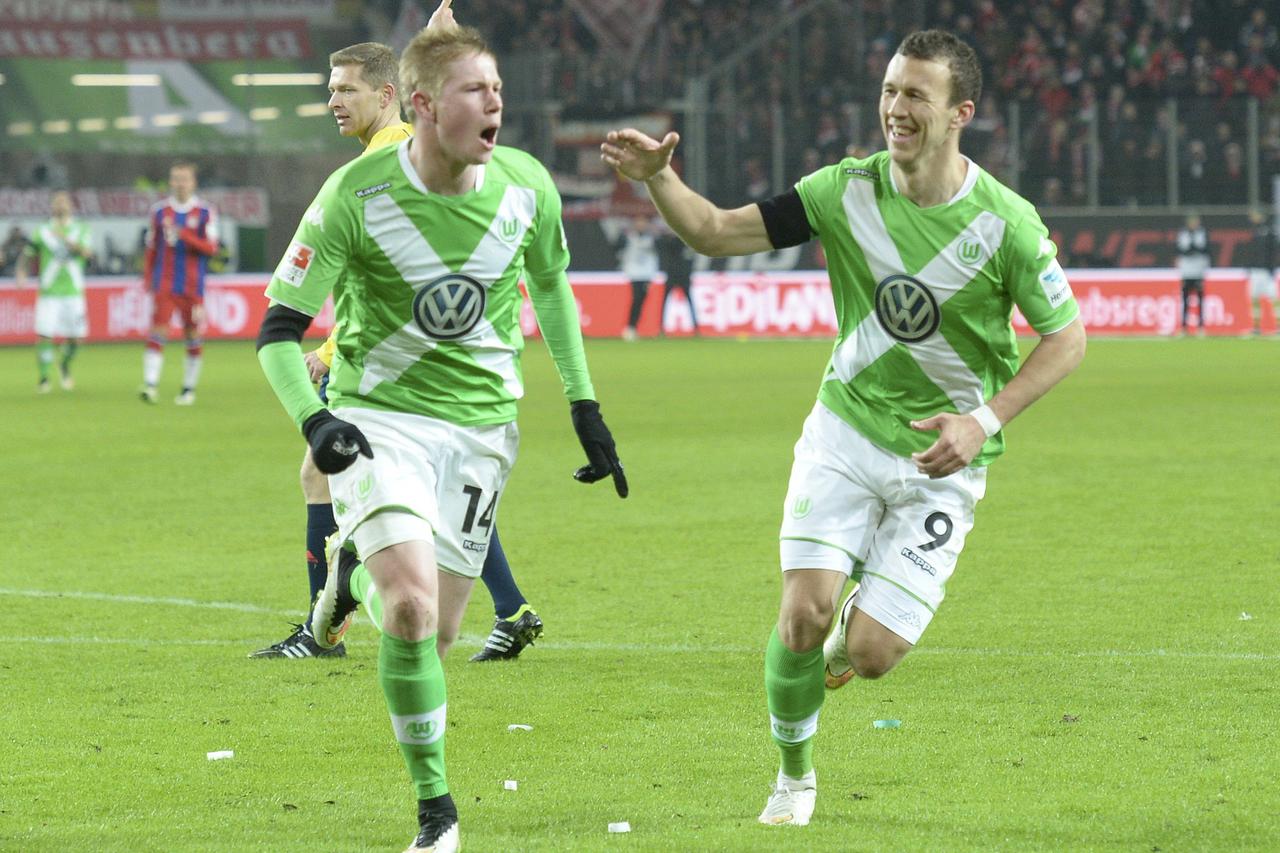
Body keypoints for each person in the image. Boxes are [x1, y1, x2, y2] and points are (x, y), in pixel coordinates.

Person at [602, 28, 1085, 828]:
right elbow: (717, 231)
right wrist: (662, 180)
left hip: (944, 459)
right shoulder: (841, 190)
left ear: (960, 112)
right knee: (802, 612)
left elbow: (1067, 337)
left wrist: (982, 419)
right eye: (891, 90)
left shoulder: (1009, 225)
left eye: (916, 96)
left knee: (871, 653)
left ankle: (849, 643)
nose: (896, 108)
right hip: (845, 432)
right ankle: (794, 776)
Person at [257, 17, 627, 852]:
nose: (495, 101)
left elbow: (555, 289)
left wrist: (585, 405)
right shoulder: (354, 194)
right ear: (422, 106)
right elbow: (276, 330)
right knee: (416, 610)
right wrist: (317, 420)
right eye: (475, 89)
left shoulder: (528, 185)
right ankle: (437, 812)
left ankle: (345, 583)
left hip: (483, 432)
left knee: (439, 629)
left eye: (498, 88)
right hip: (378, 420)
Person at [252, 27, 550, 663]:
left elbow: (403, 276)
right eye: (329, 89)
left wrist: (329, 354)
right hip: (438, 375)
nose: (334, 100)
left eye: (346, 89)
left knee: (339, 475)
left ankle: (324, 621)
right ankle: (509, 604)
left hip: (395, 370)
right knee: (426, 485)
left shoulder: (388, 156)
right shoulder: (388, 145)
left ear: (391, 95)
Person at [139, 162, 219, 404]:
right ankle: (150, 384)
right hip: (165, 283)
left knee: (192, 335)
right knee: (157, 331)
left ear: (193, 183)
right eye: (175, 179)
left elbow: (211, 248)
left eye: (184, 179)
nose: (179, 183)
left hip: (192, 287)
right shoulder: (159, 212)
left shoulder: (205, 212)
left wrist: (185, 235)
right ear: (170, 182)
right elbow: (152, 249)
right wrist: (147, 280)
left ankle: (188, 389)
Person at [16, 191, 93, 393]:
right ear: (52, 206)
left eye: (64, 202)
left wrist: (65, 239)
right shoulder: (42, 231)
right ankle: (43, 377)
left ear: (70, 205)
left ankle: (64, 364)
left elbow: (87, 253)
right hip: (49, 292)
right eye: (56, 202)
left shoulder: (81, 229)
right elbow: (28, 253)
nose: (60, 206)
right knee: (44, 335)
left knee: (76, 339)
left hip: (73, 292)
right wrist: (21, 273)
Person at [618, 215, 661, 340]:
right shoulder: (628, 237)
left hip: (647, 273)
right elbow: (617, 247)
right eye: (638, 222)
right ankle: (630, 327)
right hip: (634, 273)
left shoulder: (653, 238)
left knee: (641, 300)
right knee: (636, 299)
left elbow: (661, 250)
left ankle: (634, 327)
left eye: (643, 223)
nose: (641, 225)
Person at [1175, 211, 1211, 335]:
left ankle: (1201, 326)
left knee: (1200, 299)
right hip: (1186, 271)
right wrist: (1193, 249)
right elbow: (1181, 250)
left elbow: (1205, 249)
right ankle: (1184, 327)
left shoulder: (1202, 233)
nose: (1193, 224)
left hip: (1198, 270)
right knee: (1185, 300)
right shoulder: (1183, 234)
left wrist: (1192, 249)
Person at [1244, 208, 1278, 335]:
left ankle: (1278, 327)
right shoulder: (1254, 231)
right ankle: (1256, 328)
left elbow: (1274, 251)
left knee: (1274, 299)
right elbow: (1251, 252)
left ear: (1260, 216)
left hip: (1266, 272)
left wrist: (1271, 268)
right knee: (1254, 299)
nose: (1252, 218)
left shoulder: (1269, 231)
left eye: (1254, 215)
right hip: (1255, 271)